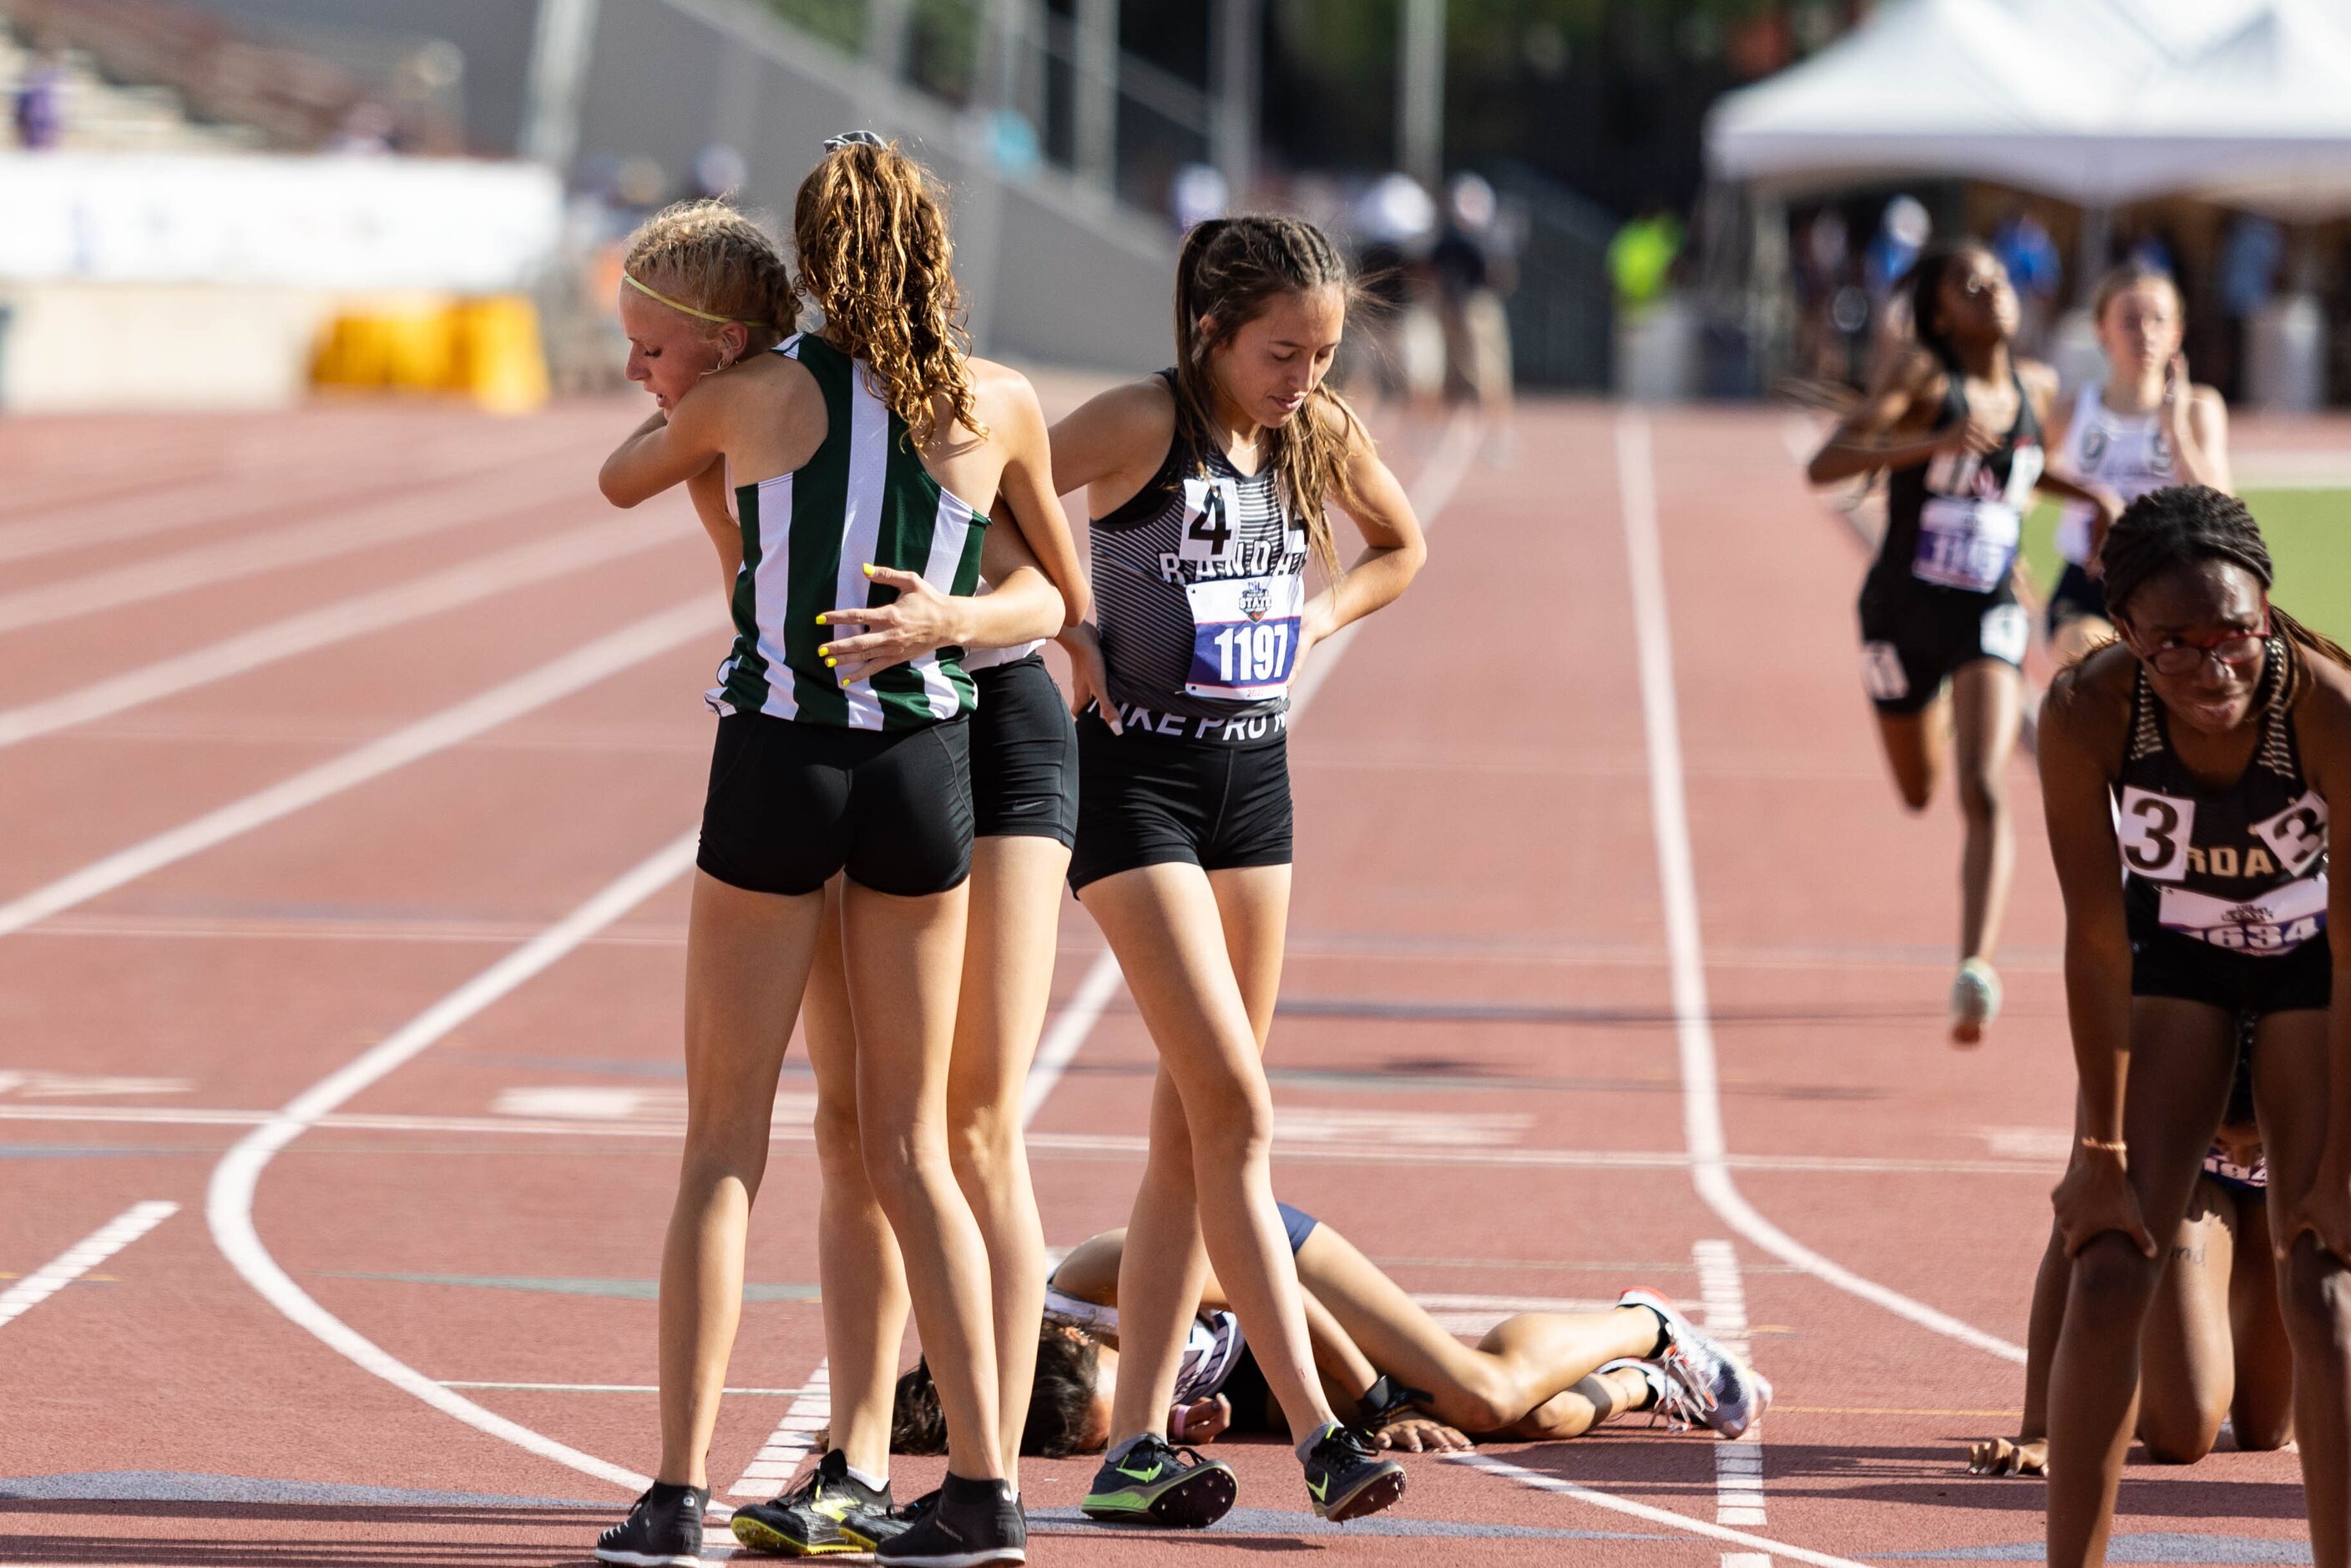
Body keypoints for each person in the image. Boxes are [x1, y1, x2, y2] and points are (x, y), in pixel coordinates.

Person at [589, 136, 1074, 1568]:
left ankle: (677, 1492)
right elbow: (1052, 592)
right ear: (937, 247)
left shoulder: (747, 394)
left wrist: (703, 393)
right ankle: (983, 1488)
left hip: (783, 759)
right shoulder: (1000, 402)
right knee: (910, 1141)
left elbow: (624, 474)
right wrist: (954, 622)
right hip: (923, 770)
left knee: (723, 1141)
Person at [1046, 214, 1428, 1530]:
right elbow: (987, 496)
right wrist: (1065, 621)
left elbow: (1402, 544)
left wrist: (1320, 613)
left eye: (1323, 351)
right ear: (1211, 330)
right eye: (1282, 352)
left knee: (1187, 1135)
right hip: (1137, 782)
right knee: (1241, 1113)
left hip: (1252, 783)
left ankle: (1134, 1445)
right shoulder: (1143, 421)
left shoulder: (1313, 433)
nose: (1305, 375)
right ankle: (1325, 1432)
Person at [724, 226, 1090, 1568]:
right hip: (872, 743)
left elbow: (1057, 591)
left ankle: (990, 1477)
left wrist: (952, 621)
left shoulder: (990, 397)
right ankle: (858, 1460)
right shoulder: (796, 397)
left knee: (970, 1121)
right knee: (849, 1126)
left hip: (991, 731)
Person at [2034, 485, 2351, 1567]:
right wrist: (2100, 1152)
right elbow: (2094, 939)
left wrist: (2342, 1162)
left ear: (2268, 612)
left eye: (2236, 637)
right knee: (2112, 1260)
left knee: (2325, 1280)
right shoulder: (2085, 711)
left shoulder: (2326, 710)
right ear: (2125, 628)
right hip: (2178, 961)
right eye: (2177, 644)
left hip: (2316, 964)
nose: (2214, 668)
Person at [1806, 241, 2120, 1044]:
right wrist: (1934, 443)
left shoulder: (2036, 384)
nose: (1991, 290)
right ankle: (1932, 710)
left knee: (1984, 787)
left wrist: (2090, 489)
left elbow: (2021, 466)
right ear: (1941, 310)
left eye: (1999, 278)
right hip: (1901, 612)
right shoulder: (1921, 375)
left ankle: (1974, 968)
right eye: (1968, 283)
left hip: (1989, 607)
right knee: (1919, 790)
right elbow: (1826, 464)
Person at [887, 1201, 1770, 1459]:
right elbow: (1201, 1399)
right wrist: (1191, 1423)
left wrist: (1378, 1407)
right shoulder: (1077, 1390)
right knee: (1529, 1423)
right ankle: (1646, 1385)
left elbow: (1284, 1309)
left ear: (1080, 1342)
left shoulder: (1096, 1279)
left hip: (1278, 1264)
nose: (1133, 1428)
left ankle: (1641, 1324)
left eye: (1125, 1417)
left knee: (1479, 1394)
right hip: (1252, 1364)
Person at [1968, 1030, 2290, 1478]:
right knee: (2183, 1431)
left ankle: (2175, 1354)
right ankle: (2148, 1377)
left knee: (2269, 1431)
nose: (2238, 1156)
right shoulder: (2144, 1060)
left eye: (2253, 1144)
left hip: (2283, 1189)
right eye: (2224, 1140)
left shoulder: (2321, 1058)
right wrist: (2042, 1429)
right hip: (2190, 1187)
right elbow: (2073, 1240)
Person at [2044, 265, 2232, 667]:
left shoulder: (2200, 408)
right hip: (2092, 583)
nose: (2145, 333)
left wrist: (2175, 429)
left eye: (2158, 320)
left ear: (2177, 333)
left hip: (2173, 584)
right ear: (2101, 329)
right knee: (2091, 662)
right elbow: (2024, 477)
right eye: (2130, 321)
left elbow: (2222, 508)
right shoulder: (2072, 411)